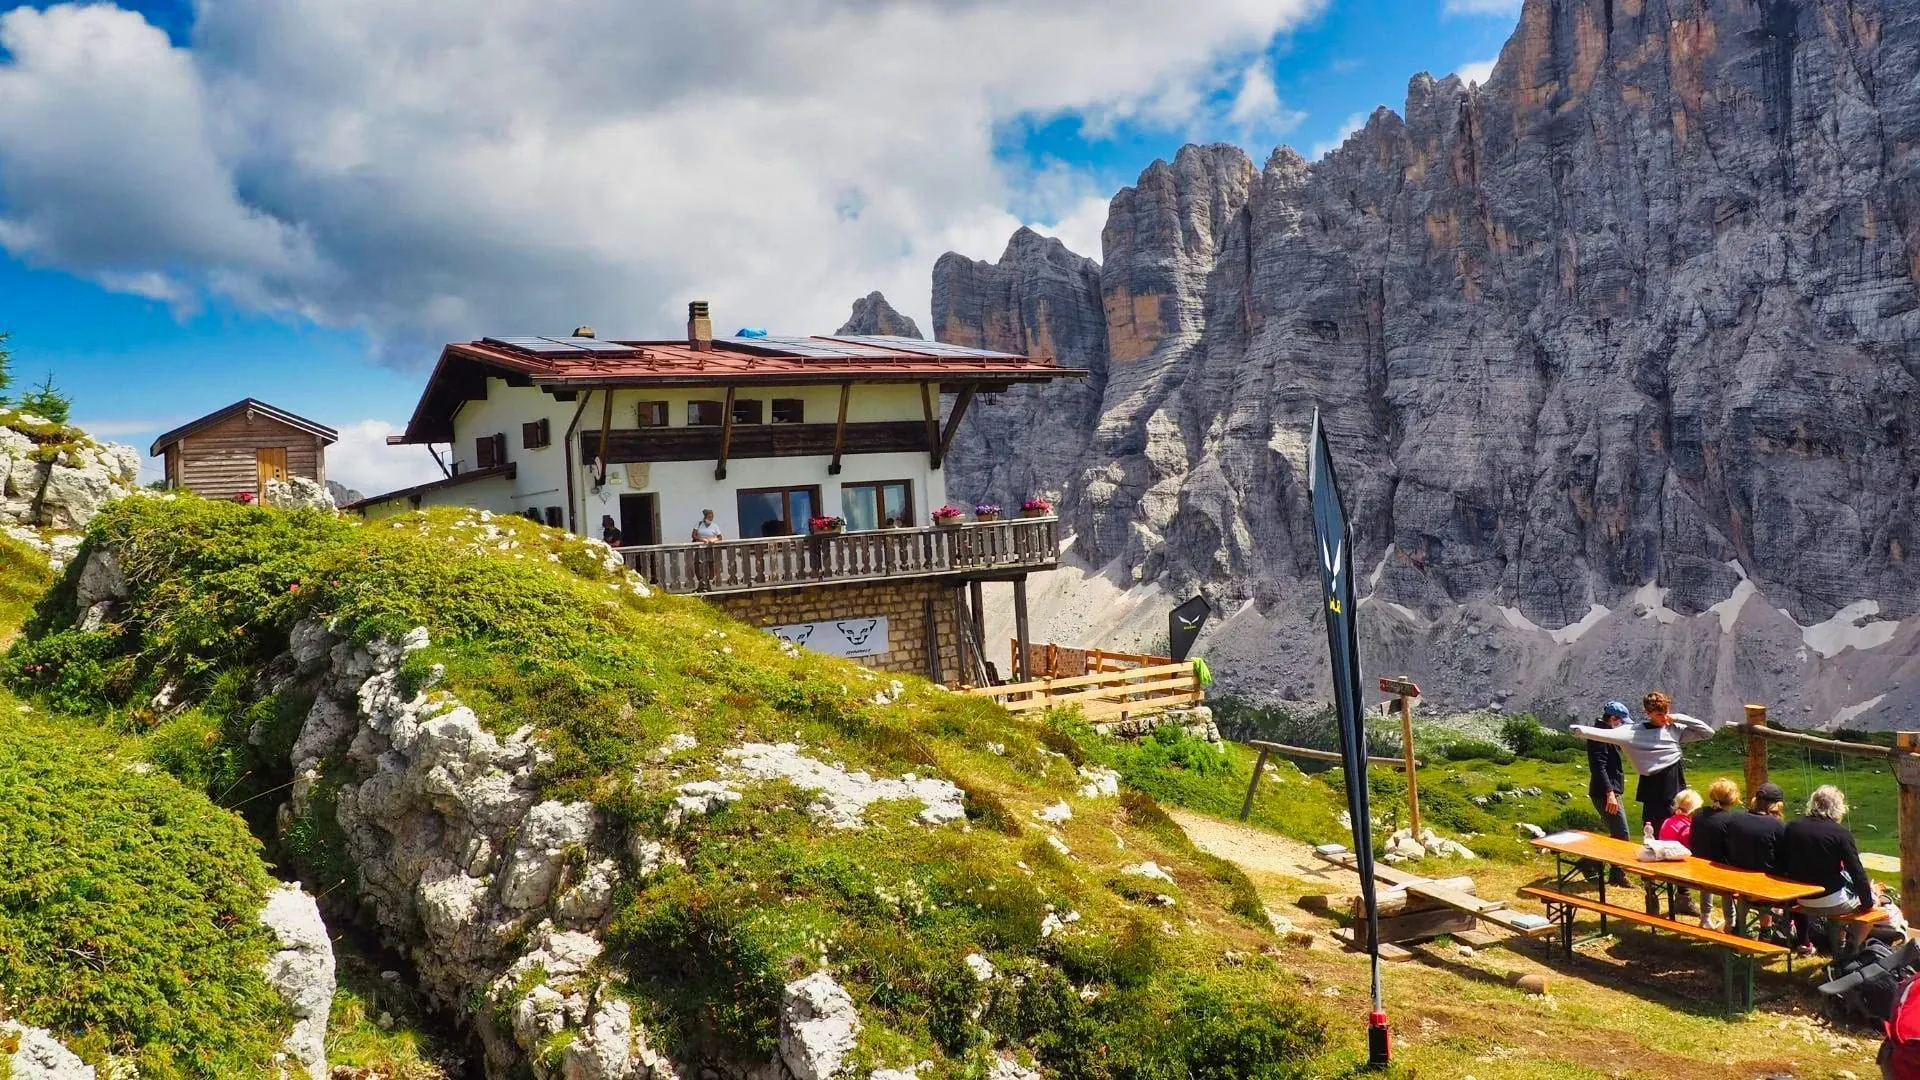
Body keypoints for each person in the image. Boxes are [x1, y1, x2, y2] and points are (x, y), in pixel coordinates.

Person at [1570, 691, 1715, 914]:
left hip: (1677, 792)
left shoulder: (1673, 729)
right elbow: (1601, 736)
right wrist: (1579, 730)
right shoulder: (1633, 732)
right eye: (1659, 713)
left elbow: (1707, 732)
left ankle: (1683, 897)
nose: (1663, 716)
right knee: (1654, 844)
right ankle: (1652, 898)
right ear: (1647, 713)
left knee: (1683, 844)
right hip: (1654, 795)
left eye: (1666, 711)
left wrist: (1677, 717)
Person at [1781, 784, 1876, 956]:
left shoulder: (1792, 827)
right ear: (1837, 808)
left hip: (1800, 899)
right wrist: (1868, 903)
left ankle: (1820, 943)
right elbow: (1856, 871)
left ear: (1813, 803)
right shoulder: (1840, 834)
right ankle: (1850, 948)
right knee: (1872, 906)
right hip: (1832, 901)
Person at [1724, 782, 1789, 935]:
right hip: (1766, 885)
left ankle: (1740, 925)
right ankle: (1768, 930)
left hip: (1738, 881)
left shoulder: (1735, 818)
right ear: (1775, 805)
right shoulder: (1776, 825)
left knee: (1749, 882)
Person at [1580, 700, 1633, 888]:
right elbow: (1598, 766)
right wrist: (1610, 792)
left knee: (1618, 833)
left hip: (1607, 791)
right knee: (1622, 834)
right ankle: (1591, 864)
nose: (1621, 725)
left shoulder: (1605, 733)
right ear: (1613, 718)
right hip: (1605, 793)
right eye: (1620, 721)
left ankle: (1615, 872)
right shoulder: (1600, 736)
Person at [1692, 778, 1742, 928]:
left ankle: (1705, 918)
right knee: (1727, 888)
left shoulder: (1698, 813)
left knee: (1707, 886)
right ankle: (1730, 921)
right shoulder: (1731, 819)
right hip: (1721, 868)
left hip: (1699, 864)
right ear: (1733, 799)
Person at [1659, 788, 1704, 919]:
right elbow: (1691, 848)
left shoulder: (1668, 820)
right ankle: (1685, 900)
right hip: (1677, 866)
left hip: (1663, 858)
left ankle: (1683, 898)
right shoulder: (1687, 828)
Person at [691, 509, 723, 591]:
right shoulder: (698, 524)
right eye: (709, 516)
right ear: (705, 517)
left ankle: (709, 583)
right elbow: (694, 535)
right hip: (700, 548)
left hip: (710, 549)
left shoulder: (715, 526)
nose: (711, 518)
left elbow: (720, 537)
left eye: (712, 516)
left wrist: (713, 540)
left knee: (710, 564)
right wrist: (702, 539)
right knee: (699, 564)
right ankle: (701, 583)